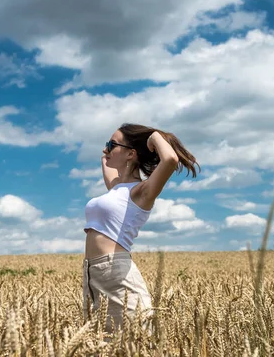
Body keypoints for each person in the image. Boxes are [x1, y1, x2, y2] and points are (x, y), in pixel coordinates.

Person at [83, 123, 200, 334]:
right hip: (92, 274)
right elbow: (106, 161)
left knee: (134, 342)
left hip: (116, 275)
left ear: (131, 154)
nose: (105, 149)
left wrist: (154, 136)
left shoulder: (141, 191)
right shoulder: (116, 188)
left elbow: (170, 160)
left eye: (111, 144)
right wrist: (110, 150)